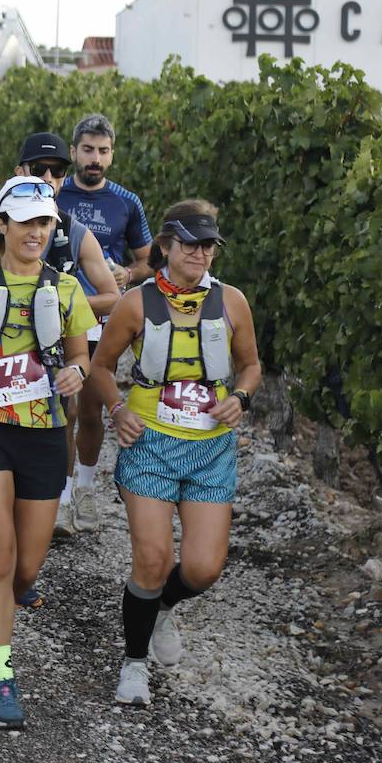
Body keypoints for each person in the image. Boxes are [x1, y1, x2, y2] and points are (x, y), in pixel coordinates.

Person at [86, 200, 260, 706]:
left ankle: (162, 607)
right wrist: (118, 409)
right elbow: (100, 367)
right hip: (150, 443)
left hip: (210, 448)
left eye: (208, 246)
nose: (200, 254)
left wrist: (241, 398)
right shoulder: (136, 303)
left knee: (205, 567)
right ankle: (134, 665)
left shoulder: (233, 302)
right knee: (153, 558)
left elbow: (250, 367)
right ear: (165, 246)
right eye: (189, 244)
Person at [0, 175, 95, 728]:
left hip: (44, 433)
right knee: (2, 551)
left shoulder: (67, 289)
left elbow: (81, 356)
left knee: (25, 568)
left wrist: (76, 372)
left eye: (44, 222)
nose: (35, 231)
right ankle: (2, 679)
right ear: (1, 224)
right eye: (25, 221)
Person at [0, 132, 119, 541]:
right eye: (39, 169)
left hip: (58, 352)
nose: (49, 176)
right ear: (19, 171)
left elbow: (111, 296)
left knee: (66, 416)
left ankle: (61, 500)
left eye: (59, 170)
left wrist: (61, 305)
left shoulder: (76, 232)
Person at [56, 113, 154, 533]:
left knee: (92, 408)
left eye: (103, 151)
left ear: (112, 155)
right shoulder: (55, 196)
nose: (95, 158)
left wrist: (129, 275)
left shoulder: (127, 203)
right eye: (88, 150)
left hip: (101, 318)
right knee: (65, 405)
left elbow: (149, 259)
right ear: (75, 151)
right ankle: (59, 494)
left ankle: (86, 488)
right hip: (53, 315)